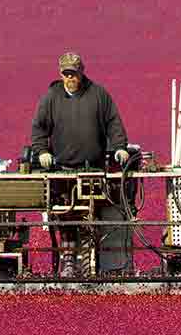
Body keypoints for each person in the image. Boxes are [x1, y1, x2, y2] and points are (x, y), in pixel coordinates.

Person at [30, 52, 131, 276]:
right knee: (66, 216)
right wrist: (42, 151)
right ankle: (68, 260)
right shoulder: (51, 97)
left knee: (90, 215)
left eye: (73, 74)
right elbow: (38, 128)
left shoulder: (98, 95)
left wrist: (120, 147)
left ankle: (89, 260)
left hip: (92, 168)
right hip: (63, 170)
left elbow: (113, 122)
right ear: (60, 74)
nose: (70, 78)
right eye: (66, 74)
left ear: (81, 72)